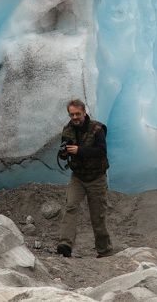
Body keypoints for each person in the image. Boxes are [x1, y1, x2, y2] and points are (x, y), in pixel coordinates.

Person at [56, 98, 113, 258]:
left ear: (84, 112)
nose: (74, 117)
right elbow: (62, 153)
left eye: (77, 114)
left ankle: (104, 250)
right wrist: (64, 152)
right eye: (71, 114)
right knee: (71, 206)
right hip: (78, 177)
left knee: (97, 215)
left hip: (96, 177)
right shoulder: (67, 130)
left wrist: (79, 150)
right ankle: (65, 245)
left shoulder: (97, 129)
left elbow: (101, 151)